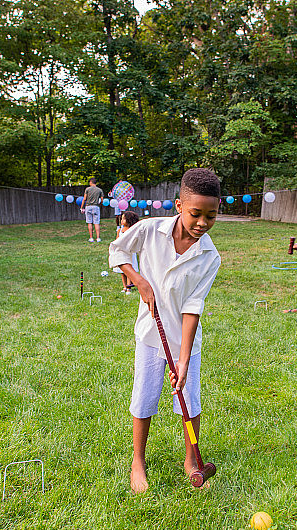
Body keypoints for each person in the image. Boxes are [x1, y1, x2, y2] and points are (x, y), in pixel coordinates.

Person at [109, 168, 221, 494]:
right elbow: (118, 251)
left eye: (211, 216)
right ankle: (138, 460)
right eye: (195, 214)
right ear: (178, 205)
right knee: (144, 398)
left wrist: (183, 360)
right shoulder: (149, 230)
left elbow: (193, 308)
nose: (202, 222)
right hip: (149, 334)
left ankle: (190, 461)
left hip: (185, 341)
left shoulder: (209, 256)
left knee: (190, 400)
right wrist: (139, 279)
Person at [112, 211, 140, 295]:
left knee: (129, 270)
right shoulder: (120, 230)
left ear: (129, 220)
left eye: (124, 219)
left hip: (129, 253)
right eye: (122, 219)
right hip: (121, 252)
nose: (121, 220)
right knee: (122, 270)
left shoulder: (132, 230)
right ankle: (124, 286)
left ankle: (128, 287)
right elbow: (117, 240)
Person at [80, 178, 104, 242]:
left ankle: (91, 238)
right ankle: (98, 238)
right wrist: (100, 203)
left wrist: (82, 207)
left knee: (89, 222)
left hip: (88, 206)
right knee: (96, 222)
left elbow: (84, 199)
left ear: (91, 182)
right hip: (96, 207)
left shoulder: (87, 189)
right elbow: (102, 200)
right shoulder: (99, 190)